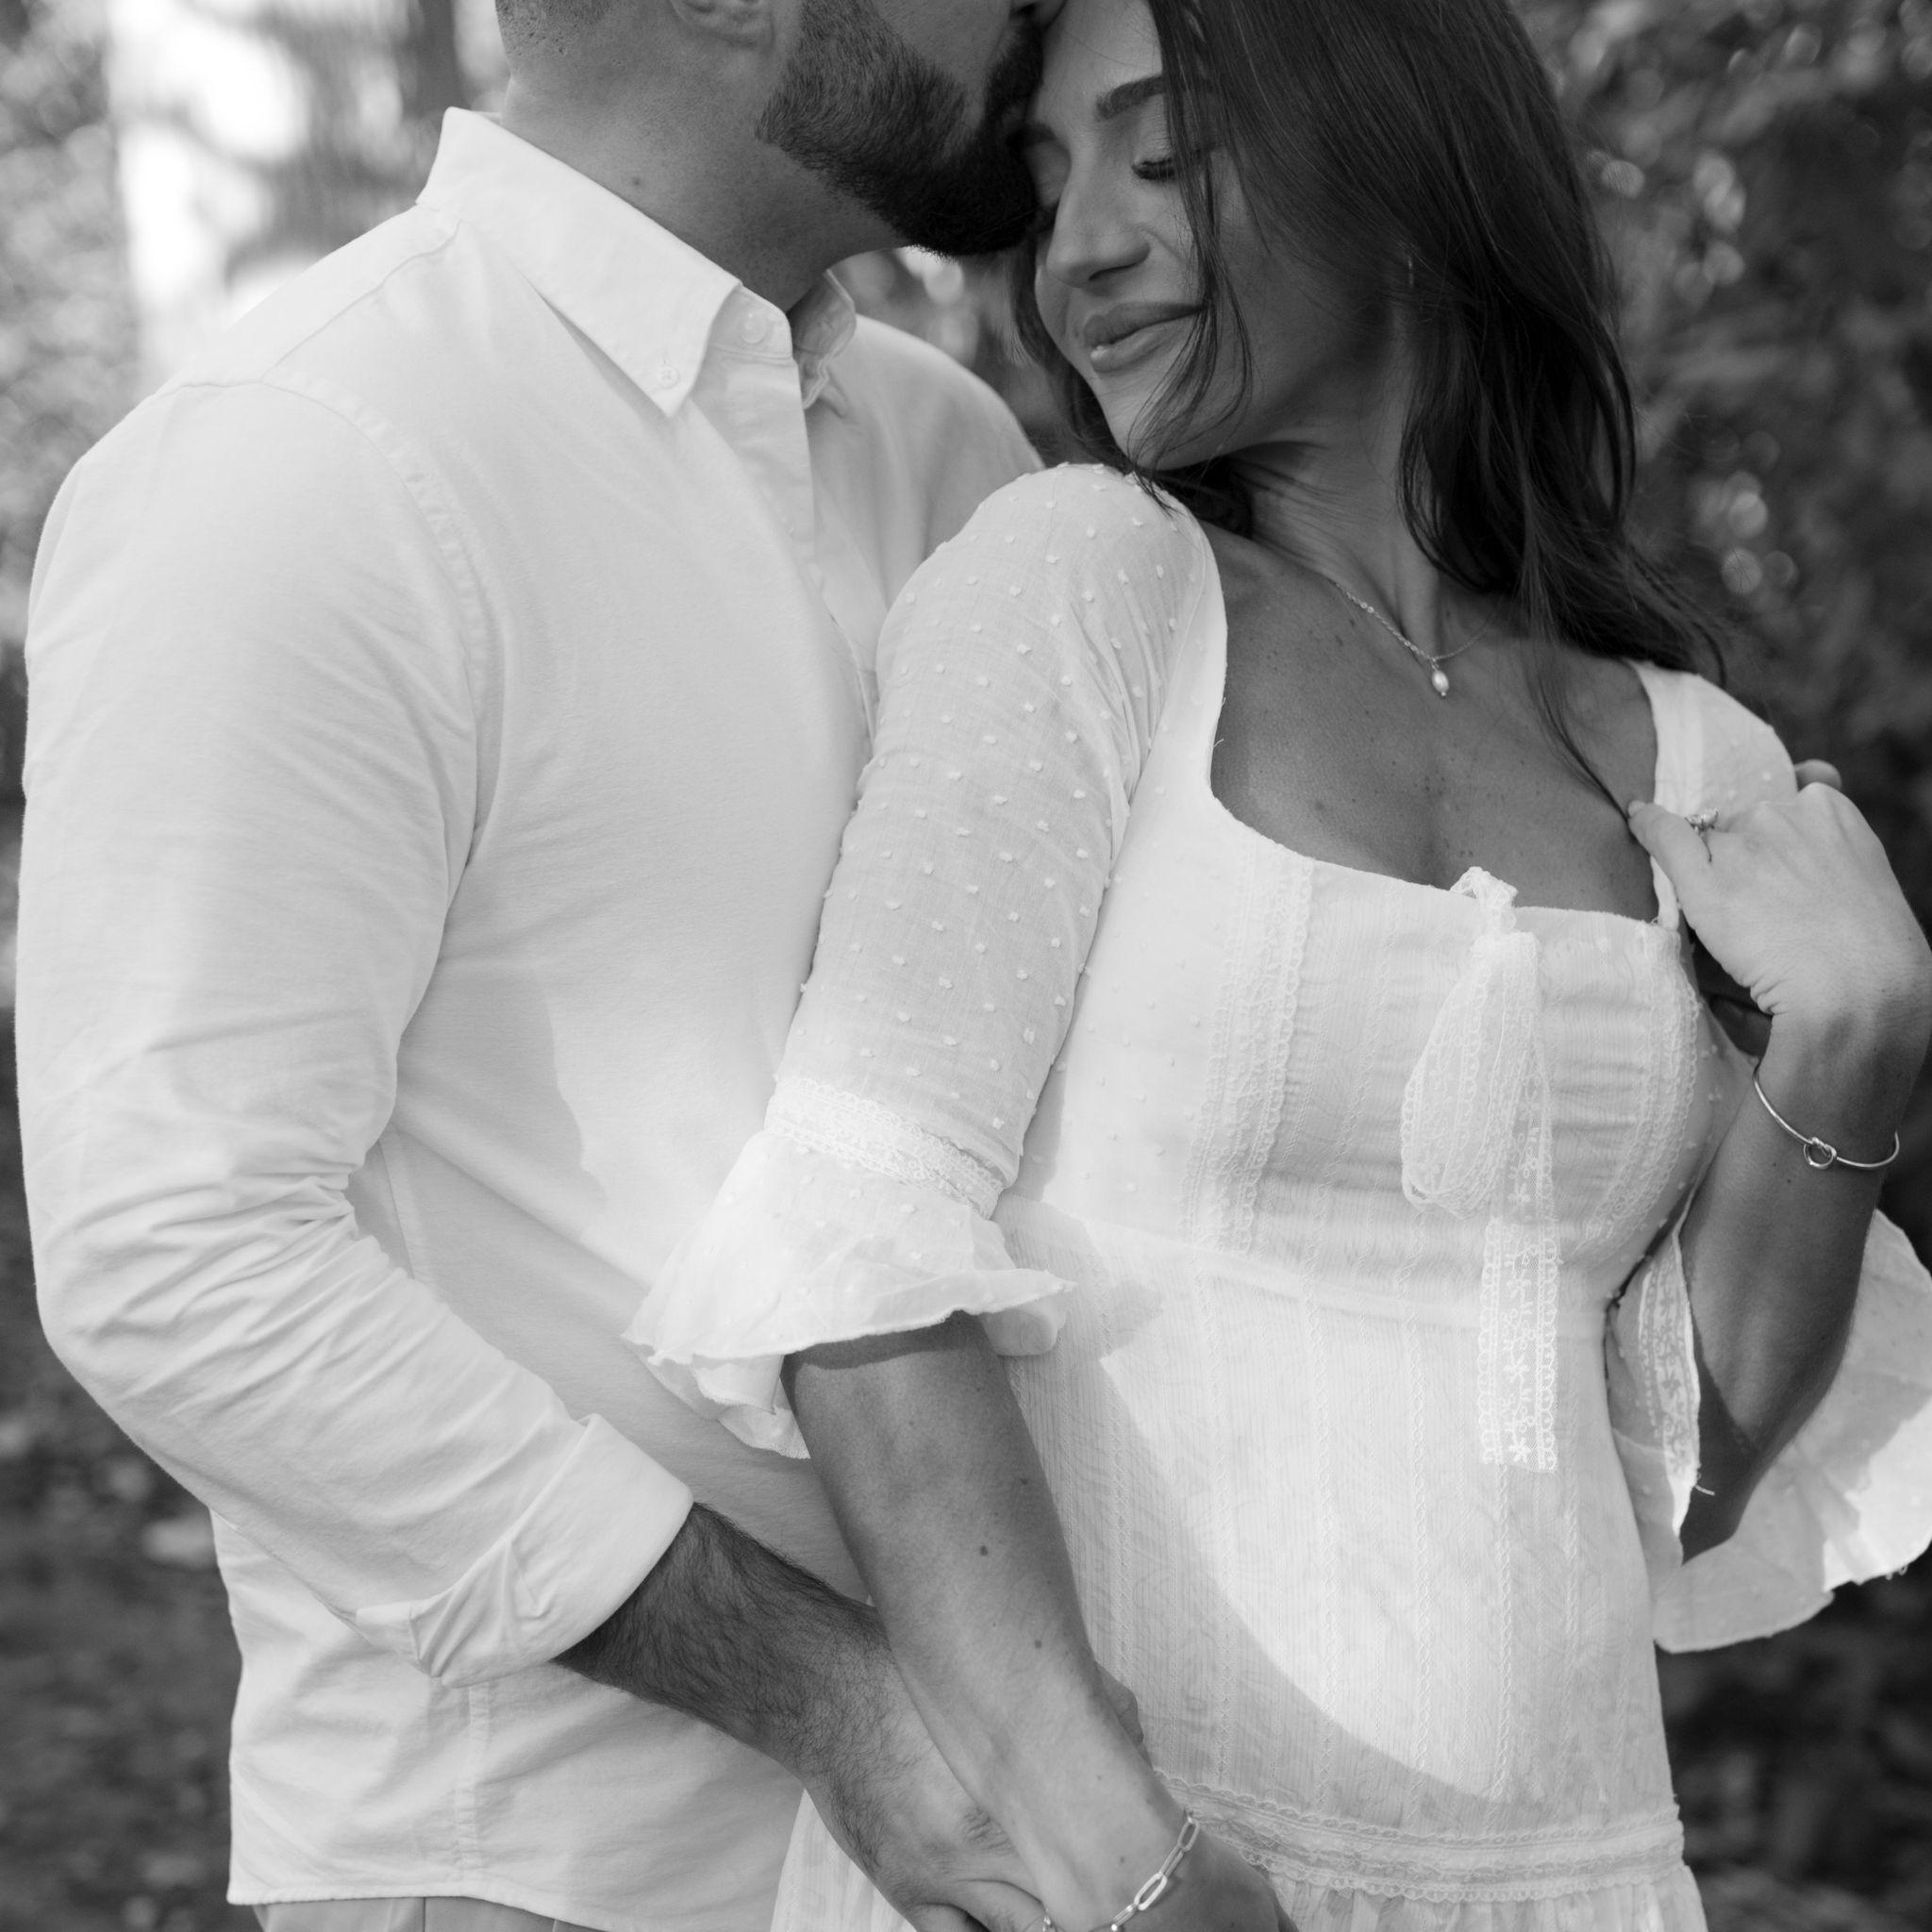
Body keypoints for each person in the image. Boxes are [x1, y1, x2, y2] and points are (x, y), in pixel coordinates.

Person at [626, 0, 1932, 1926]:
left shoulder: (1682, 756)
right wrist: (1130, 1869)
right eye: (1049, 188)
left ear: (1401, 162)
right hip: (1122, 1873)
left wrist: (1852, 1045)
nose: (1080, 251)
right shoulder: (1083, 585)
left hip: (1568, 1879)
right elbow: (857, 1268)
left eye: (1162, 157)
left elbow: (1679, 1469)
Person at [16, 4, 1093, 1931]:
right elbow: (178, 1253)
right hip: (543, 1872)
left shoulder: (949, 446)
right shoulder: (303, 460)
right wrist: (843, 1710)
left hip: (1037, 1837)